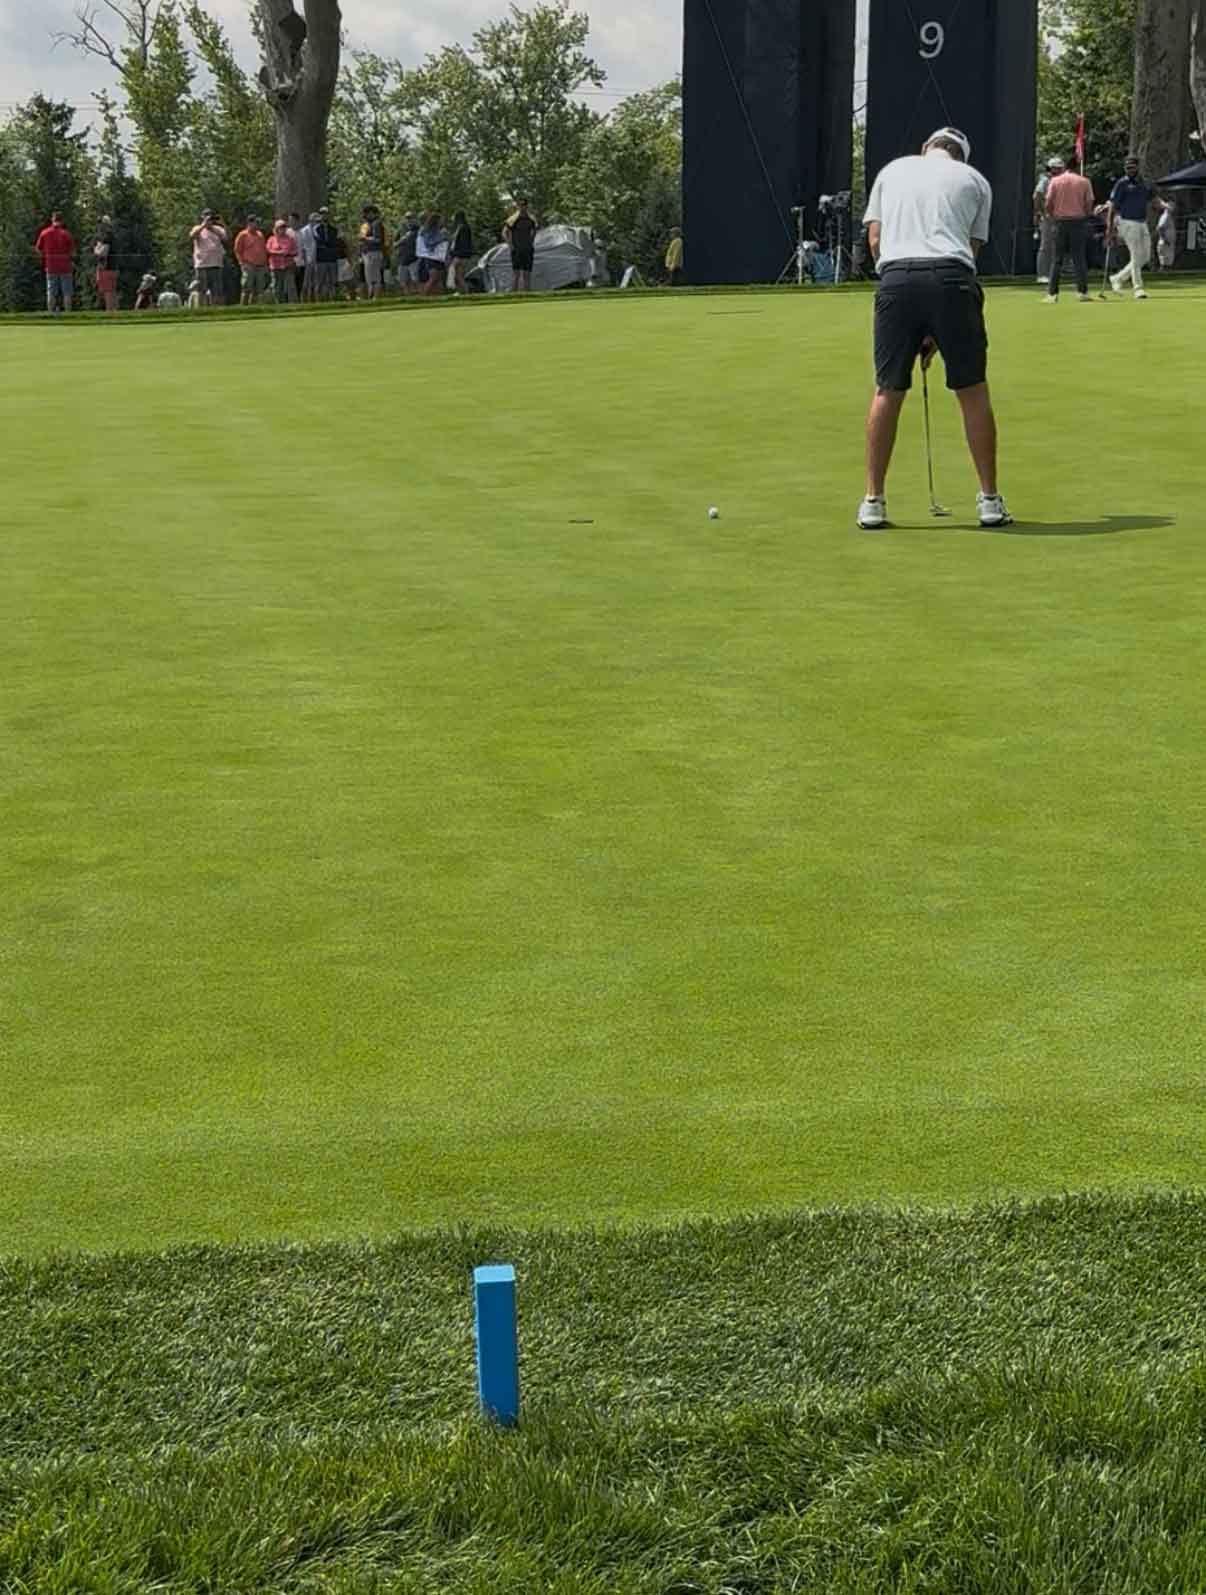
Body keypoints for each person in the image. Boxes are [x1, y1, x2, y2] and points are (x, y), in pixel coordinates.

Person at [856, 126, 1011, 532]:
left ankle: (873, 501)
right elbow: (971, 249)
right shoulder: (975, 180)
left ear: (926, 148)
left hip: (896, 279)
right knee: (972, 389)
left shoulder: (892, 170)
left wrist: (906, 300)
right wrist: (933, 325)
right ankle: (989, 501)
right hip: (953, 280)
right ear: (960, 155)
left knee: (887, 389)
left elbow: (875, 239)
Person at [1106, 154, 1158, 299]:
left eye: (1132, 167)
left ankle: (1117, 278)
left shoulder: (1145, 183)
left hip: (1142, 222)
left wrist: (1164, 205)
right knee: (1135, 254)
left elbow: (1154, 199)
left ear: (1138, 168)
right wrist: (1109, 228)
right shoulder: (1121, 184)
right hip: (1127, 222)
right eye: (1127, 167)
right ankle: (1138, 288)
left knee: (1145, 256)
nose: (1129, 170)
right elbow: (1112, 206)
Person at [1043, 158, 1094, 302]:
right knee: (1079, 259)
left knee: (1057, 259)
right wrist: (1085, 215)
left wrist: (1053, 215)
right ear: (1078, 167)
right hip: (1078, 222)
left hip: (1060, 222)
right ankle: (1082, 292)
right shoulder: (1084, 181)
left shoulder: (1055, 181)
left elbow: (1048, 203)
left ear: (1065, 167)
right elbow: (1089, 203)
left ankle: (1052, 294)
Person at [33, 211, 75, 313]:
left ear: (52, 219)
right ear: (62, 220)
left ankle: (50, 313)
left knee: (51, 292)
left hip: (51, 266)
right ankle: (68, 314)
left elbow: (38, 249)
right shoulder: (66, 234)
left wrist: (44, 257)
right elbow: (73, 252)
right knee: (67, 293)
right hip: (65, 267)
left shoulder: (44, 233)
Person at [1033, 157, 1064, 285]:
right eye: (1055, 168)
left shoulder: (1059, 181)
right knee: (1045, 246)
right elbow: (1037, 195)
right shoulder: (1045, 180)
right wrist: (1041, 212)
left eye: (1059, 168)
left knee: (1056, 246)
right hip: (1048, 217)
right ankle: (1042, 274)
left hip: (1059, 216)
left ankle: (1052, 273)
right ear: (1050, 168)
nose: (1058, 170)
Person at [189, 210, 228, 305]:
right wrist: (204, 225)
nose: (209, 217)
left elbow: (226, 238)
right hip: (202, 264)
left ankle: (215, 310)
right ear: (202, 216)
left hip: (216, 264)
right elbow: (192, 236)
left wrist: (223, 224)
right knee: (201, 290)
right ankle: (201, 310)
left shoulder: (218, 229)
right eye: (206, 215)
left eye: (210, 216)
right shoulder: (198, 228)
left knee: (216, 291)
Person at [234, 216, 270, 305]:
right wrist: (242, 263)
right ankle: (244, 307)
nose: (257, 224)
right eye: (255, 222)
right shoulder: (243, 234)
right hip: (248, 265)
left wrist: (265, 264)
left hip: (260, 265)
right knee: (247, 287)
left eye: (258, 223)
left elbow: (263, 250)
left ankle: (254, 307)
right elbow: (237, 250)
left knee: (259, 289)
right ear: (249, 223)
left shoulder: (260, 234)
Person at [504, 198, 537, 292]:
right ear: (518, 206)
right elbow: (504, 232)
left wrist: (531, 241)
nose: (522, 207)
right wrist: (510, 245)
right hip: (516, 250)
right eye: (520, 205)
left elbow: (535, 230)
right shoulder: (513, 219)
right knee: (516, 274)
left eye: (524, 205)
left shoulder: (531, 219)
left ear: (527, 206)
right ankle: (514, 295)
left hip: (528, 249)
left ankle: (527, 295)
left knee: (527, 274)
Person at [266, 217, 299, 301]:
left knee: (291, 286)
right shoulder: (271, 239)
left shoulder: (290, 239)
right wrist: (279, 253)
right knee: (277, 286)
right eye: (281, 228)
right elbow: (268, 250)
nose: (283, 229)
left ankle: (293, 303)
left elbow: (296, 251)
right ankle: (278, 303)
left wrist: (288, 254)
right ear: (276, 229)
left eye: (284, 227)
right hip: (276, 266)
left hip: (288, 265)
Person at [359, 204, 386, 299]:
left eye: (370, 213)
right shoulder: (366, 225)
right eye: (366, 213)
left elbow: (378, 239)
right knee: (369, 278)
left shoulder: (376, 223)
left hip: (374, 252)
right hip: (367, 253)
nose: (367, 215)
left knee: (374, 278)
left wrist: (365, 238)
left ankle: (375, 297)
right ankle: (372, 296)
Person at [417, 212, 448, 296]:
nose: (442, 222)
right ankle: (424, 296)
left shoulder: (440, 231)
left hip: (440, 258)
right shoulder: (428, 231)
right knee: (433, 278)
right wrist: (441, 238)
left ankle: (439, 298)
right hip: (431, 258)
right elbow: (428, 243)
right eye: (441, 220)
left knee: (439, 279)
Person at [312, 208, 339, 300]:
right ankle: (318, 301)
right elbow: (319, 242)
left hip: (332, 258)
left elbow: (335, 242)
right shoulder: (316, 229)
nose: (324, 216)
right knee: (319, 282)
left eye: (326, 214)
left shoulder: (334, 229)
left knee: (333, 282)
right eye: (322, 214)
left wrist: (329, 246)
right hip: (321, 259)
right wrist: (327, 245)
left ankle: (333, 300)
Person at [93, 214, 118, 310]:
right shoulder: (112, 235)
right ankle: (115, 313)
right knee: (112, 291)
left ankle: (110, 313)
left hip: (106, 267)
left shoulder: (106, 236)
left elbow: (103, 253)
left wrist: (96, 249)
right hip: (113, 267)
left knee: (108, 292)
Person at [448, 210, 473, 294]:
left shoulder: (463, 228)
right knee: (458, 276)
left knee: (457, 275)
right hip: (459, 255)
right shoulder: (461, 227)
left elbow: (463, 244)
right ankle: (461, 292)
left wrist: (457, 255)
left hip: (460, 255)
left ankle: (465, 292)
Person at [395, 212, 419, 293]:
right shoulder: (401, 229)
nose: (409, 220)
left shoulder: (418, 230)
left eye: (411, 218)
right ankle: (407, 296)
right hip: (403, 258)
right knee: (403, 280)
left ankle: (419, 295)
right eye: (407, 218)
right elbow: (395, 242)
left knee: (415, 279)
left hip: (414, 258)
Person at [299, 212, 320, 300]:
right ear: (310, 220)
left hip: (317, 259)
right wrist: (305, 259)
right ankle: (304, 299)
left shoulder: (319, 230)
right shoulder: (304, 231)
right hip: (308, 259)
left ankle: (314, 299)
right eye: (315, 220)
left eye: (317, 220)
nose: (316, 222)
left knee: (316, 281)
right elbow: (303, 247)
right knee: (306, 282)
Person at [1156, 198, 1177, 269]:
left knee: (1168, 262)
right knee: (1165, 262)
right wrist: (1164, 239)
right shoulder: (1166, 216)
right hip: (1165, 243)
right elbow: (1159, 228)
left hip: (1168, 243)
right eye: (1172, 206)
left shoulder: (1169, 216)